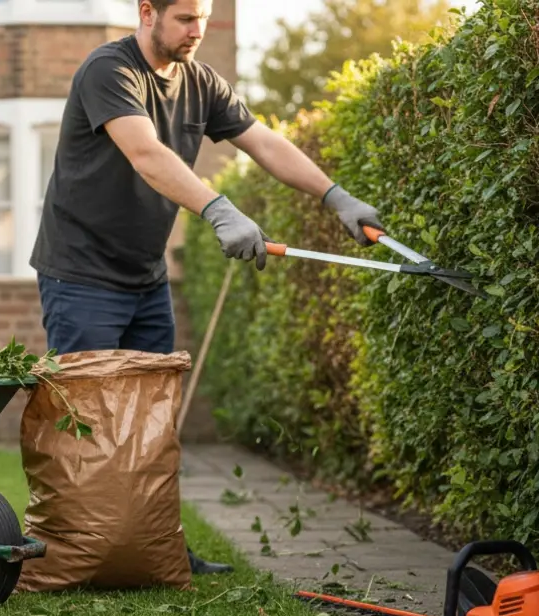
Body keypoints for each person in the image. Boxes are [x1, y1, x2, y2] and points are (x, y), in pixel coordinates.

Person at [31, 0, 385, 574]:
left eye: (204, 18)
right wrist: (218, 210)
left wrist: (334, 196)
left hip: (145, 278)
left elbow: (263, 142)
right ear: (148, 12)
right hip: (81, 275)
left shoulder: (201, 81)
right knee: (88, 424)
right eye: (186, 19)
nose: (199, 31)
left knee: (154, 427)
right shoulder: (109, 71)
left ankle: (159, 550)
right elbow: (146, 153)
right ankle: (76, 557)